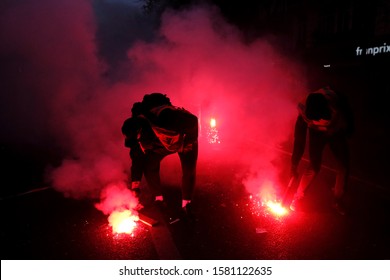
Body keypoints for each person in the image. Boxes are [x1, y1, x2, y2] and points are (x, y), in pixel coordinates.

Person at [124, 93, 199, 218]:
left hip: (184, 138)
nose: (140, 144)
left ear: (143, 131)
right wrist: (135, 186)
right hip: (163, 143)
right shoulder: (137, 135)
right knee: (150, 165)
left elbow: (193, 121)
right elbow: (137, 160)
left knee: (189, 170)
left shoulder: (165, 117)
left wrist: (189, 141)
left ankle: (186, 205)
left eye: (140, 140)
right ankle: (158, 199)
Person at [289, 86, 354, 214]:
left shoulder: (336, 98)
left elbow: (348, 114)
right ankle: (298, 198)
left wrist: (350, 128)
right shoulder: (302, 111)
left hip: (336, 130)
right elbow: (299, 141)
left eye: (322, 117)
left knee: (343, 165)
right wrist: (294, 164)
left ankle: (337, 200)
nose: (320, 120)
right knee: (314, 166)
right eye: (316, 119)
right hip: (316, 133)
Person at [121, 102, 146, 196]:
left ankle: (135, 187)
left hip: (136, 148)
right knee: (148, 169)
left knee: (136, 166)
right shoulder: (145, 121)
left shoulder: (128, 122)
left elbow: (124, 132)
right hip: (143, 148)